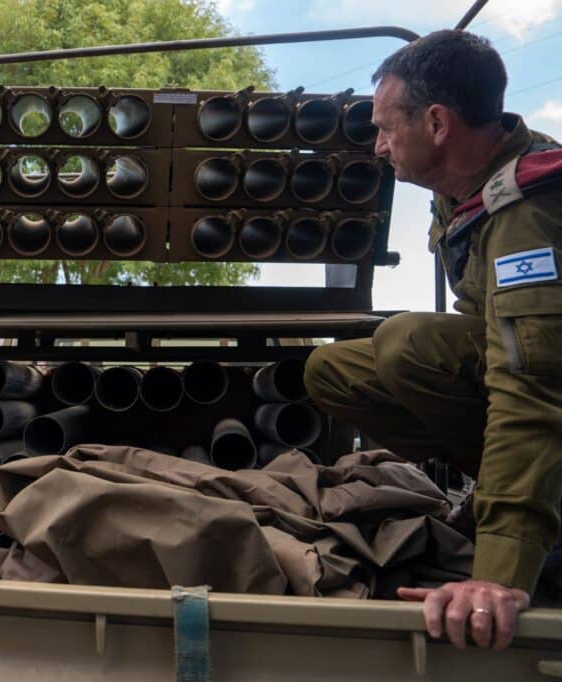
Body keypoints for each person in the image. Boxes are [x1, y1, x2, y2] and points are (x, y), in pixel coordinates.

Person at [303, 30, 562, 650]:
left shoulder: (528, 209)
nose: (379, 144)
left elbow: (532, 385)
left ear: (439, 123)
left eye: (386, 127)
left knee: (407, 341)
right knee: (332, 369)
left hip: (547, 398)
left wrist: (498, 572)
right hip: (532, 384)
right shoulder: (464, 195)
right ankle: (497, 487)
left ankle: (532, 516)